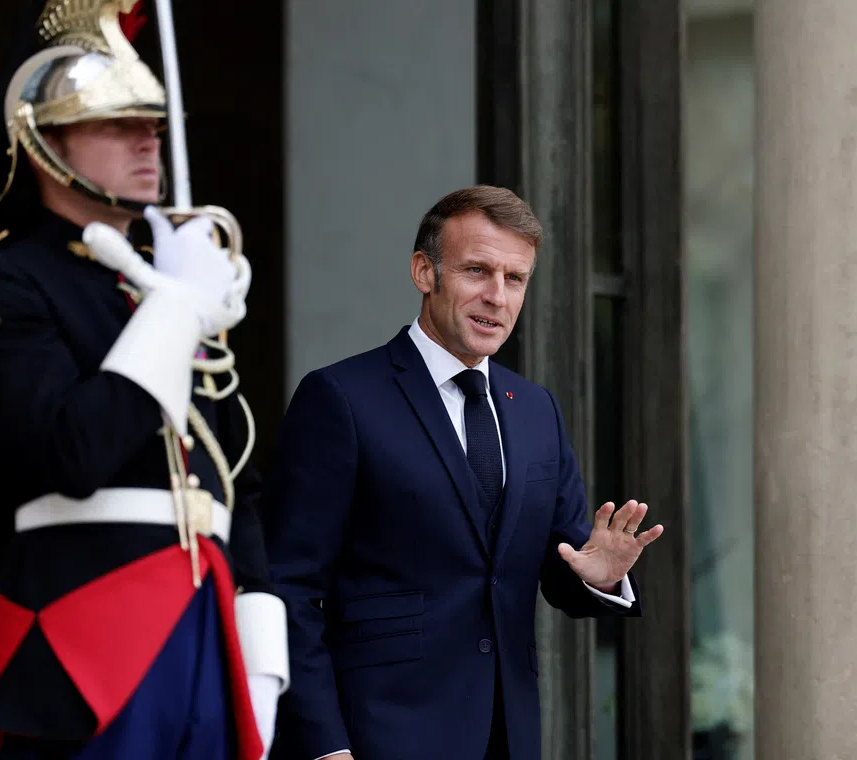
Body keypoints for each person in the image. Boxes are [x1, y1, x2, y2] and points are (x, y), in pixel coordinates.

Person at [0, 1, 288, 757]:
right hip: (79, 645)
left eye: (154, 123)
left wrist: (262, 654)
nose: (148, 140)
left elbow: (233, 482)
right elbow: (73, 452)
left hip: (207, 637)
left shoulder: (167, 284)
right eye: (117, 123)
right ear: (43, 142)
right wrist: (175, 311)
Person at [263, 185, 664, 760]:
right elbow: (287, 588)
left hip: (509, 736)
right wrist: (324, 745)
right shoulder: (341, 398)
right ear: (424, 272)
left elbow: (561, 567)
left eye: (515, 278)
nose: (497, 296)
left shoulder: (536, 410)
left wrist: (598, 577)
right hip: (378, 735)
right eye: (477, 270)